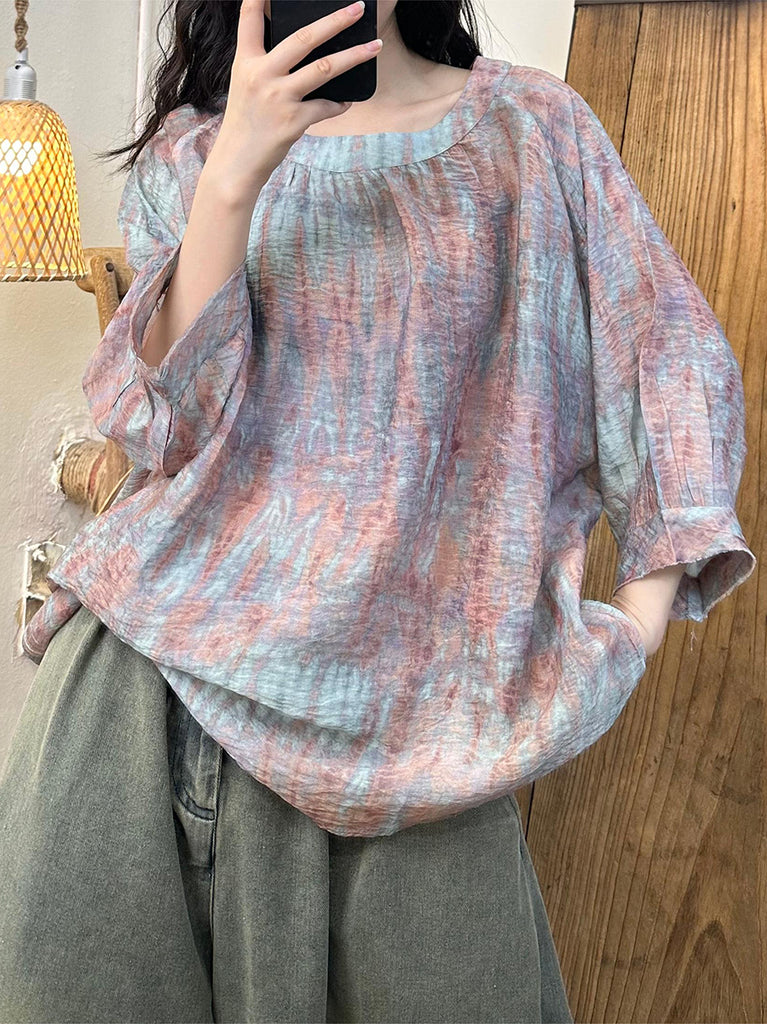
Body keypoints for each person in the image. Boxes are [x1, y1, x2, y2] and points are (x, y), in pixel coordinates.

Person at [0, 0, 756, 1021]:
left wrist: (638, 617)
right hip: (138, 713)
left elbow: (664, 353)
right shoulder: (195, 152)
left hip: (426, 750)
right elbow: (165, 434)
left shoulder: (533, 135)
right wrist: (233, 176)